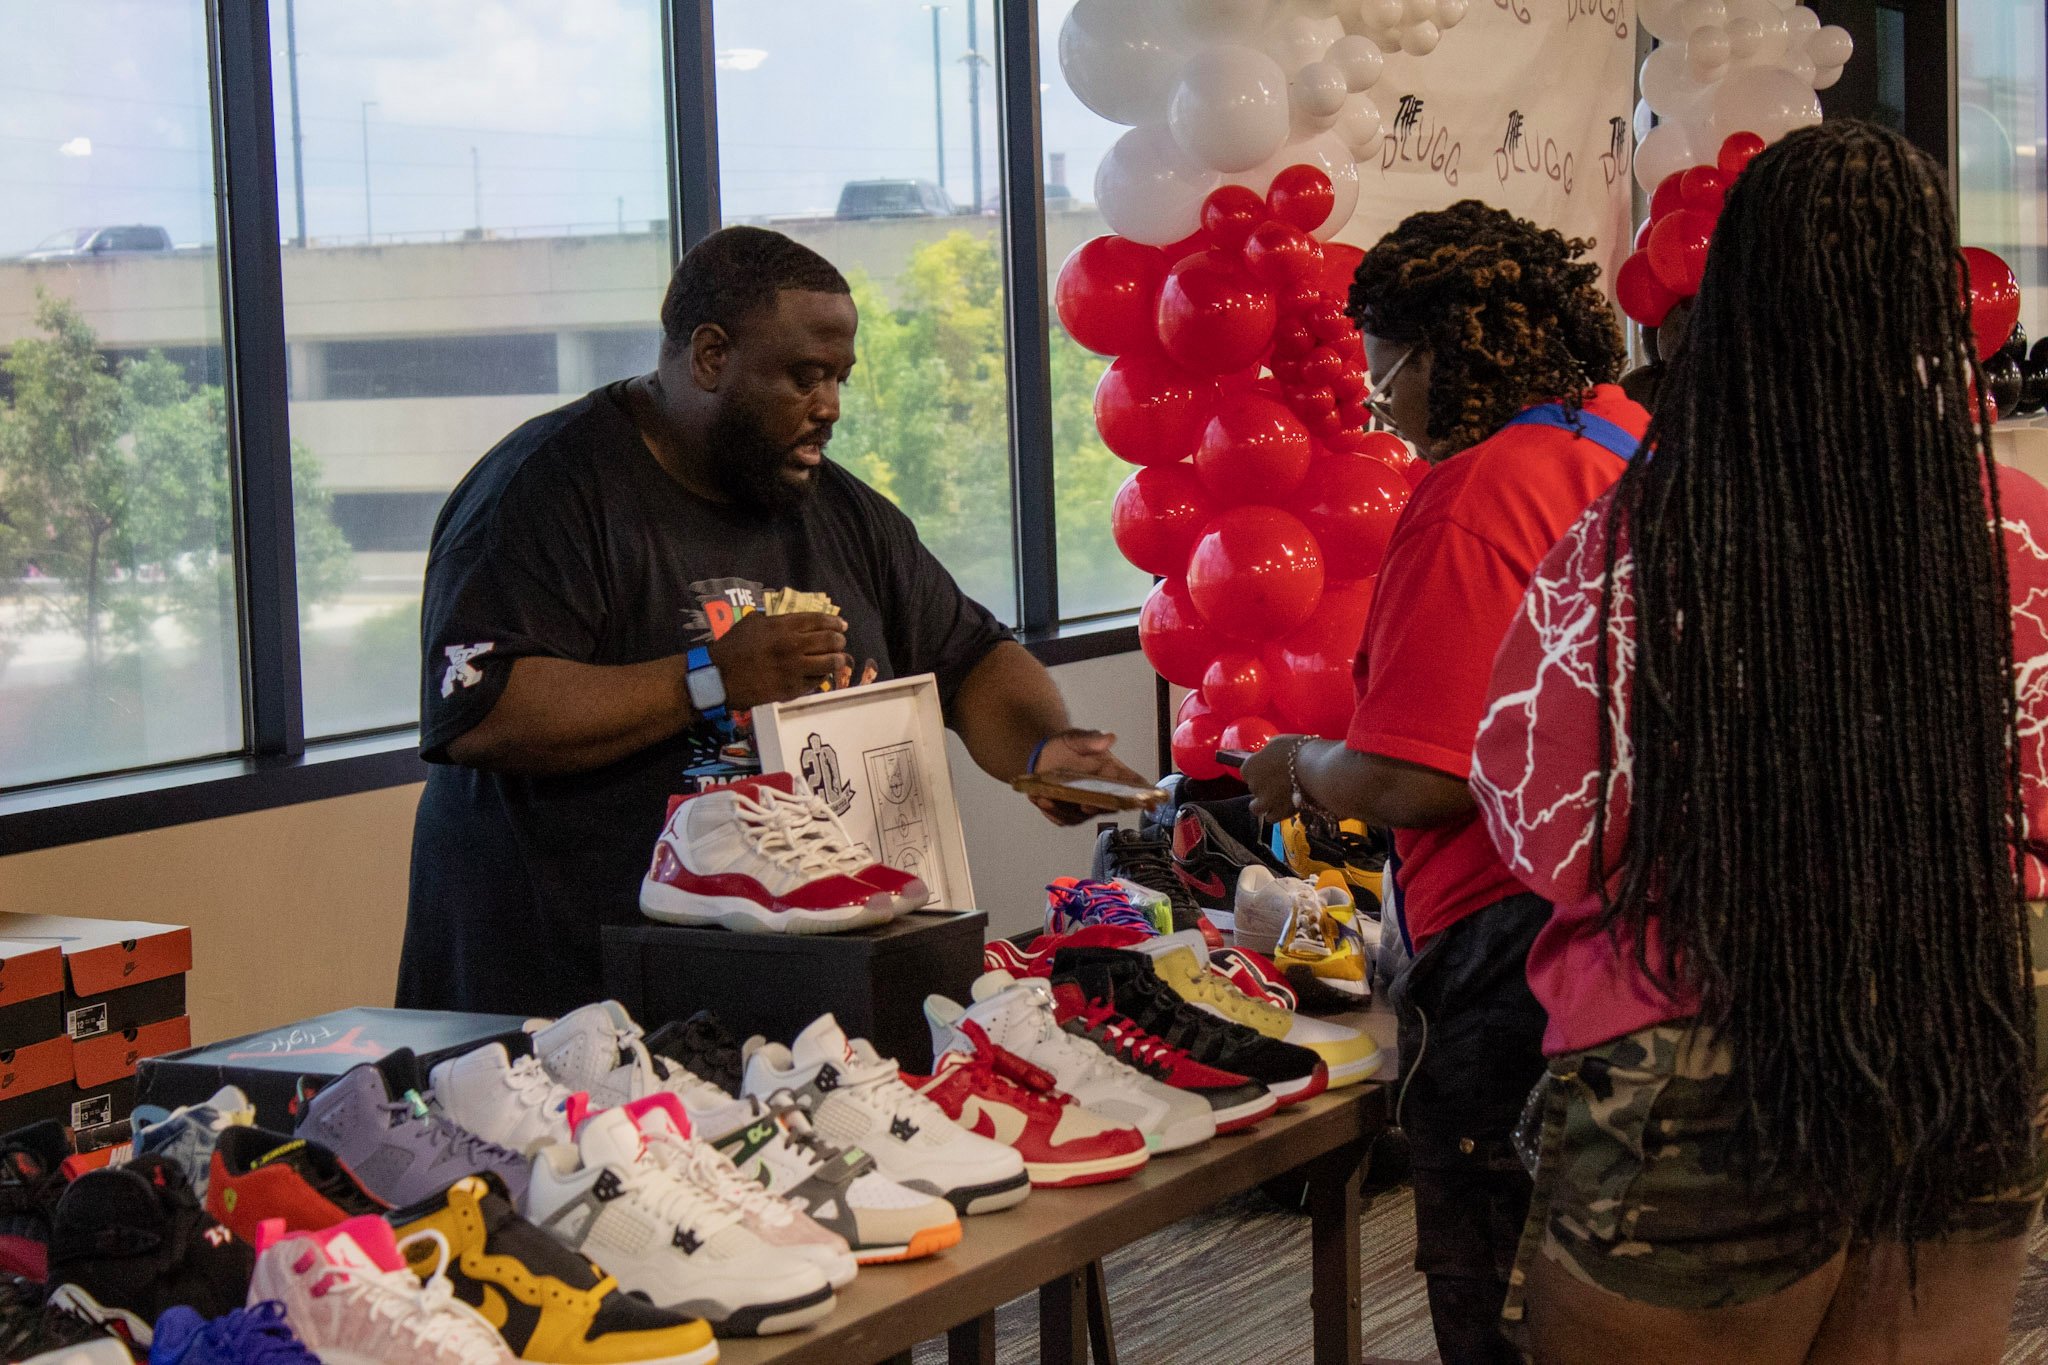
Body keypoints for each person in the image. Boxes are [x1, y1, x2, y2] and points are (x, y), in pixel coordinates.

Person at [1471, 120, 2048, 1363]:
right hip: (1984, 998)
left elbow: (1550, 837)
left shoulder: (1630, 540)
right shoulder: (2022, 526)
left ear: (1725, 299)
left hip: (1704, 1031)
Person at [400, 226, 1142, 1017]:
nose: (828, 407)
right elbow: (483, 710)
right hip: (563, 1007)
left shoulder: (840, 510)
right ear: (711, 356)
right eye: (803, 376)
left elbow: (970, 657)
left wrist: (1041, 747)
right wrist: (712, 679)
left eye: (839, 380)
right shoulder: (545, 492)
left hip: (776, 1005)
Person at [1241, 201, 1643, 1363]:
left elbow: (1423, 780)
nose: (1390, 413)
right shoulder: (1626, 439)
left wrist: (1302, 768)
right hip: (1638, 930)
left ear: (1441, 356)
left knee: (1502, 1307)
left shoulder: (1475, 493)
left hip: (1507, 950)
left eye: (1388, 382)